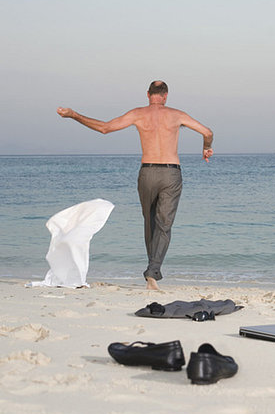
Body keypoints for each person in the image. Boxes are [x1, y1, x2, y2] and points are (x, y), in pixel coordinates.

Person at [57, 80, 213, 290]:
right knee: (164, 225)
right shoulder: (177, 115)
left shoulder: (138, 114)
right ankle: (153, 272)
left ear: (148, 94)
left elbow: (104, 128)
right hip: (171, 173)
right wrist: (206, 148)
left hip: (147, 171)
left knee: (150, 223)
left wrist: (74, 115)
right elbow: (207, 132)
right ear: (166, 96)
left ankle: (152, 271)